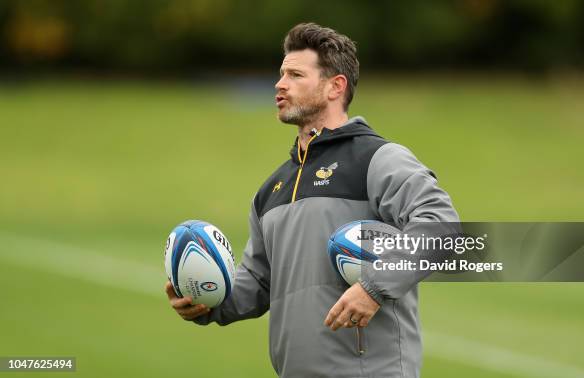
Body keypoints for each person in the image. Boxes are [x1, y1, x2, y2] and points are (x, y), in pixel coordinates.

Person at [165, 22, 459, 378]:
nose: (279, 84)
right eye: (280, 74)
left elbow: (442, 227)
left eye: (295, 74)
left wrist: (374, 288)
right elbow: (258, 282)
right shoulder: (271, 190)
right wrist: (206, 300)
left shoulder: (377, 159)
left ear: (336, 86)